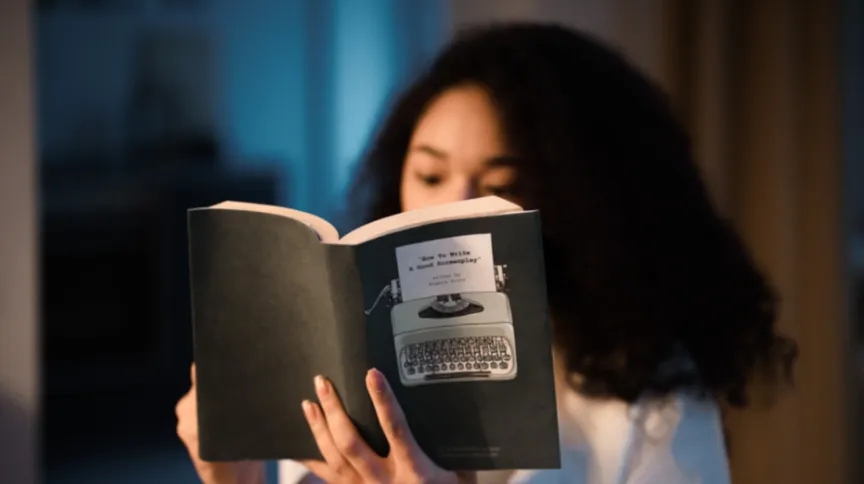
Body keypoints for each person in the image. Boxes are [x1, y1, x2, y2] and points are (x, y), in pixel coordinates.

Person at [176, 22, 797, 484]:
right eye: (429, 174)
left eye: (502, 184)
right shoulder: (347, 366)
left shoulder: (654, 402)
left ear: (587, 201)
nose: (454, 210)